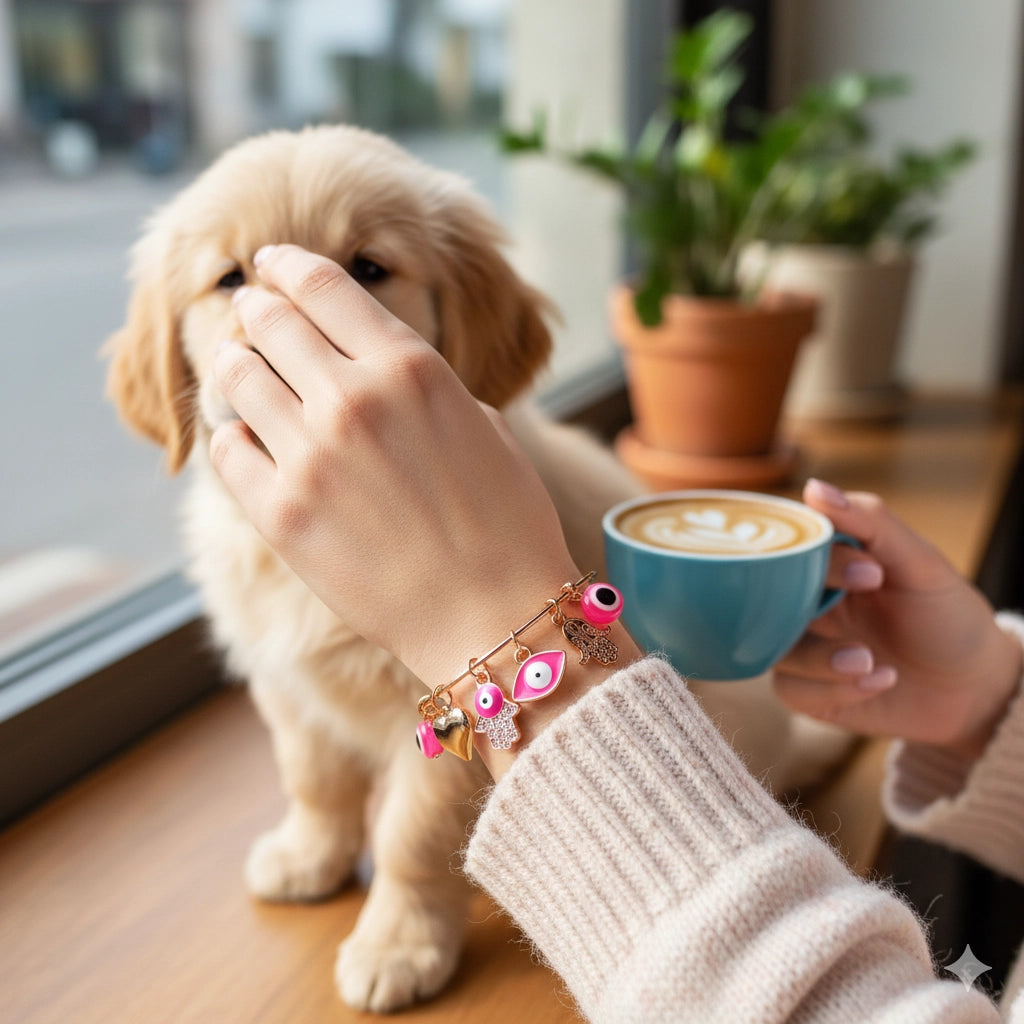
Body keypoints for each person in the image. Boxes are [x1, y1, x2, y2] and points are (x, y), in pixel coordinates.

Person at [210, 243, 1024, 1022]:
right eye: (226, 279)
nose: (275, 326)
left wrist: (511, 645)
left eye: (370, 268)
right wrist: (995, 700)